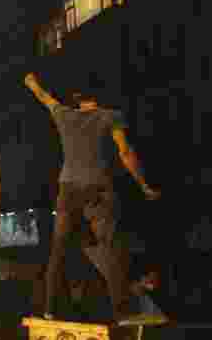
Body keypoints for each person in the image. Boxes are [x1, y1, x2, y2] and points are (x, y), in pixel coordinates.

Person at [23, 71, 161, 322]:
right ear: (100, 95)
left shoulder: (64, 114)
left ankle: (49, 309)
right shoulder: (110, 117)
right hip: (98, 188)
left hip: (68, 190)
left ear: (77, 98)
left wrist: (31, 82)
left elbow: (45, 97)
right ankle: (122, 311)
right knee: (110, 247)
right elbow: (125, 152)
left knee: (59, 249)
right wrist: (144, 185)